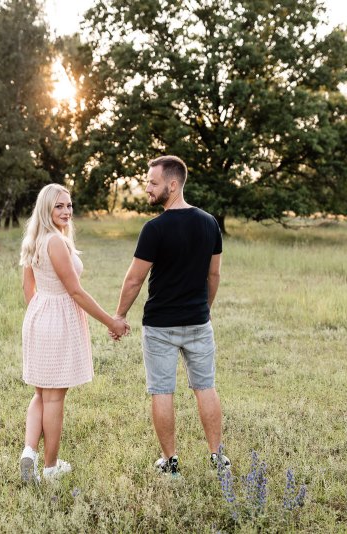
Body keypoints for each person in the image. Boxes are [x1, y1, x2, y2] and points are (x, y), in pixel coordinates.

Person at [112, 155, 230, 475]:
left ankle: (171, 463)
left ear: (173, 185)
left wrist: (119, 315)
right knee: (205, 387)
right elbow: (214, 276)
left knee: (162, 391)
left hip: (160, 326)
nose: (147, 188)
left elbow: (134, 278)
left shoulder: (154, 229)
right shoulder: (209, 223)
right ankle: (217, 458)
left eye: (153, 182)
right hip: (197, 322)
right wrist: (204, 309)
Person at [19, 183, 129, 483]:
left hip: (38, 316)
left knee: (40, 392)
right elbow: (76, 292)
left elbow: (29, 289)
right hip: (56, 320)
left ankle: (29, 451)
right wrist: (111, 321)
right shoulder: (55, 242)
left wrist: (40, 314)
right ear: (46, 209)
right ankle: (51, 467)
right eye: (59, 206)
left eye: (69, 205)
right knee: (54, 399)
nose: (66, 211)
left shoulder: (34, 240)